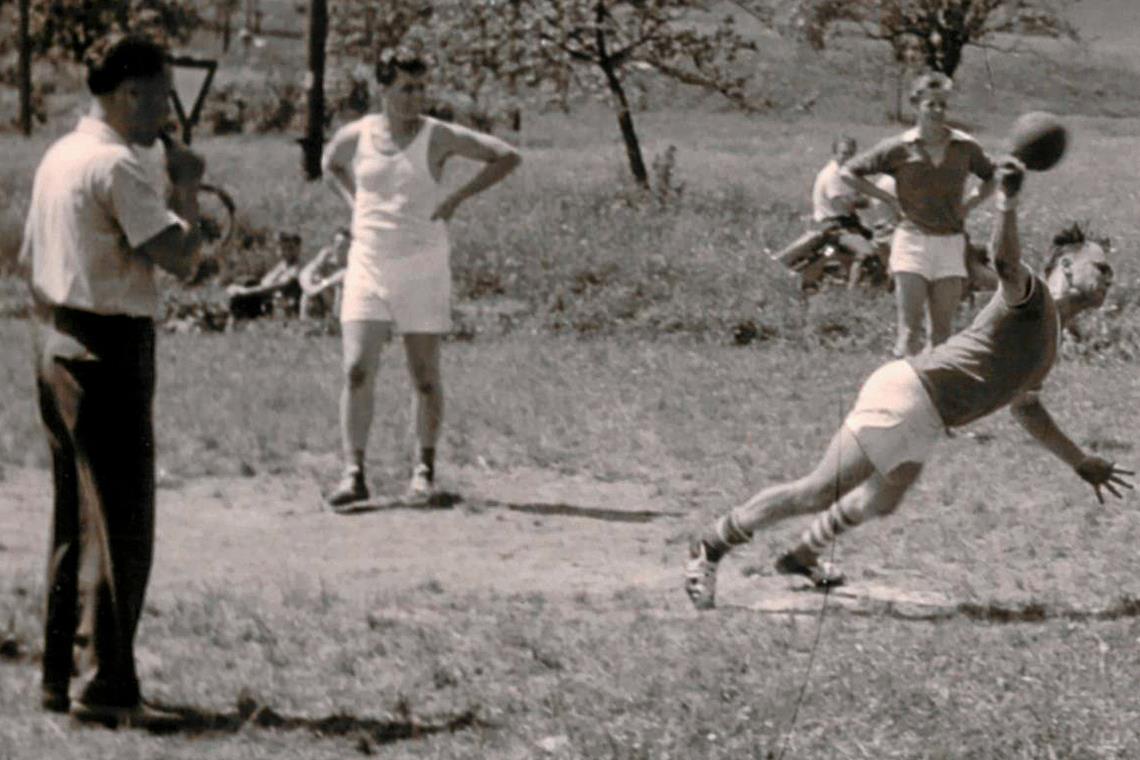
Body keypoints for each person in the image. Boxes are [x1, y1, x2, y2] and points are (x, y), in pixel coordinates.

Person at [685, 161, 1133, 610]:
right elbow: (1004, 261)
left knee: (884, 496)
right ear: (1069, 267)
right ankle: (710, 545)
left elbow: (1026, 407)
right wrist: (1007, 203)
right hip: (910, 396)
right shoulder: (1031, 295)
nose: (1109, 280)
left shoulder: (1052, 337)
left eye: (1111, 273)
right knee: (820, 490)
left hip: (929, 413)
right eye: (1102, 267)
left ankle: (802, 555)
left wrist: (1079, 461)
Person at [20, 33, 205, 726]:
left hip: (56, 336)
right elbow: (180, 256)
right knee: (123, 526)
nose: (165, 112)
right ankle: (107, 690)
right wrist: (185, 184)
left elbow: (30, 254)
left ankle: (58, 677)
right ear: (129, 92)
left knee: (73, 521)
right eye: (160, 96)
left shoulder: (62, 154)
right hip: (109, 346)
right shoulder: (119, 167)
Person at [320, 50, 521, 508]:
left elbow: (506, 156)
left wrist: (456, 199)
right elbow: (329, 164)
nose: (415, 97)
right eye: (406, 88)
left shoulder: (438, 135)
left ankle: (423, 472)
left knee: (425, 374)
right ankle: (354, 473)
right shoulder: (358, 135)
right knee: (356, 368)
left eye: (420, 87)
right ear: (383, 89)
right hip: (368, 261)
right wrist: (353, 205)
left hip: (422, 264)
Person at [841, 72, 997, 357]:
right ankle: (899, 395)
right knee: (908, 334)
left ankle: (933, 397)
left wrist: (969, 205)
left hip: (951, 242)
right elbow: (849, 172)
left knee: (942, 335)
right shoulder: (899, 147)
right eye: (931, 105)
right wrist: (887, 197)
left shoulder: (964, 147)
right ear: (916, 105)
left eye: (943, 105)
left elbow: (992, 177)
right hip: (912, 241)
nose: (938, 111)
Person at [770, 135, 873, 280]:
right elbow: (843, 203)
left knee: (873, 238)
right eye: (844, 153)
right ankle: (853, 292)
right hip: (834, 226)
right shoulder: (833, 175)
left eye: (851, 153)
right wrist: (870, 201)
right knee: (868, 252)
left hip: (843, 223)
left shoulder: (846, 172)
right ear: (835, 153)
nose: (848, 157)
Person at [225, 231, 303, 320]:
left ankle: (227, 322)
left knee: (240, 296)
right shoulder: (282, 264)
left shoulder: (296, 268)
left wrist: (246, 291)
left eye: (289, 248)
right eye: (282, 247)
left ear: (297, 249)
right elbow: (264, 282)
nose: (284, 251)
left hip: (276, 302)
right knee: (243, 282)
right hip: (263, 297)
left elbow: (277, 286)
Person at [299, 227, 350, 320]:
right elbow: (308, 271)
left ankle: (336, 319)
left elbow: (337, 279)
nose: (339, 247)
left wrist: (321, 283)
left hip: (342, 297)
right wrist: (311, 284)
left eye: (344, 245)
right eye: (337, 243)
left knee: (339, 287)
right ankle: (303, 320)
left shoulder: (351, 263)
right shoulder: (327, 254)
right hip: (324, 288)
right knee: (307, 289)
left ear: (349, 247)